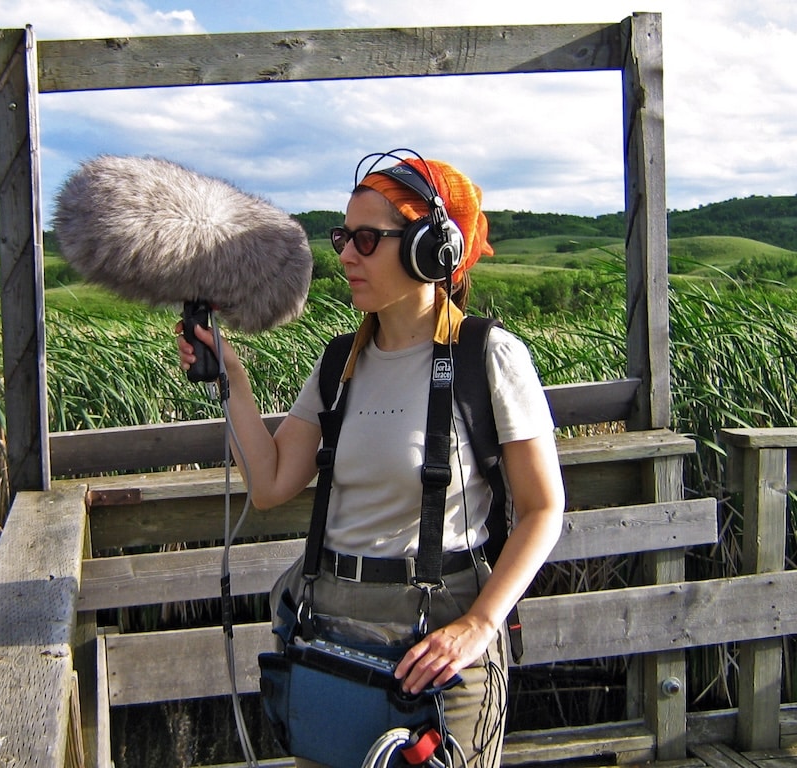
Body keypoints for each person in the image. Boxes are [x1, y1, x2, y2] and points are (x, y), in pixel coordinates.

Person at [176, 154, 565, 768]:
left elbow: (545, 508)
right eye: (342, 238)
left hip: (438, 643)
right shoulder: (339, 363)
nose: (346, 256)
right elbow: (273, 483)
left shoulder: (487, 356)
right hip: (330, 638)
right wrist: (234, 382)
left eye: (365, 239)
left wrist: (481, 625)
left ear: (428, 249)